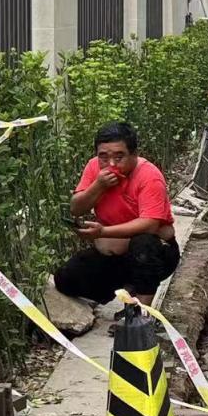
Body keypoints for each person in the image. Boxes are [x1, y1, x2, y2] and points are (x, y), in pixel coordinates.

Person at [54, 121, 179, 311]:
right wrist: (98, 186)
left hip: (155, 254)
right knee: (66, 279)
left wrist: (103, 232)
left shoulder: (149, 176)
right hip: (114, 256)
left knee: (143, 245)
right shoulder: (94, 168)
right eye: (103, 157)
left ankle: (141, 312)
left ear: (134, 154)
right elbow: (76, 209)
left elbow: (150, 225)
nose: (111, 164)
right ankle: (123, 288)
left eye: (119, 157)